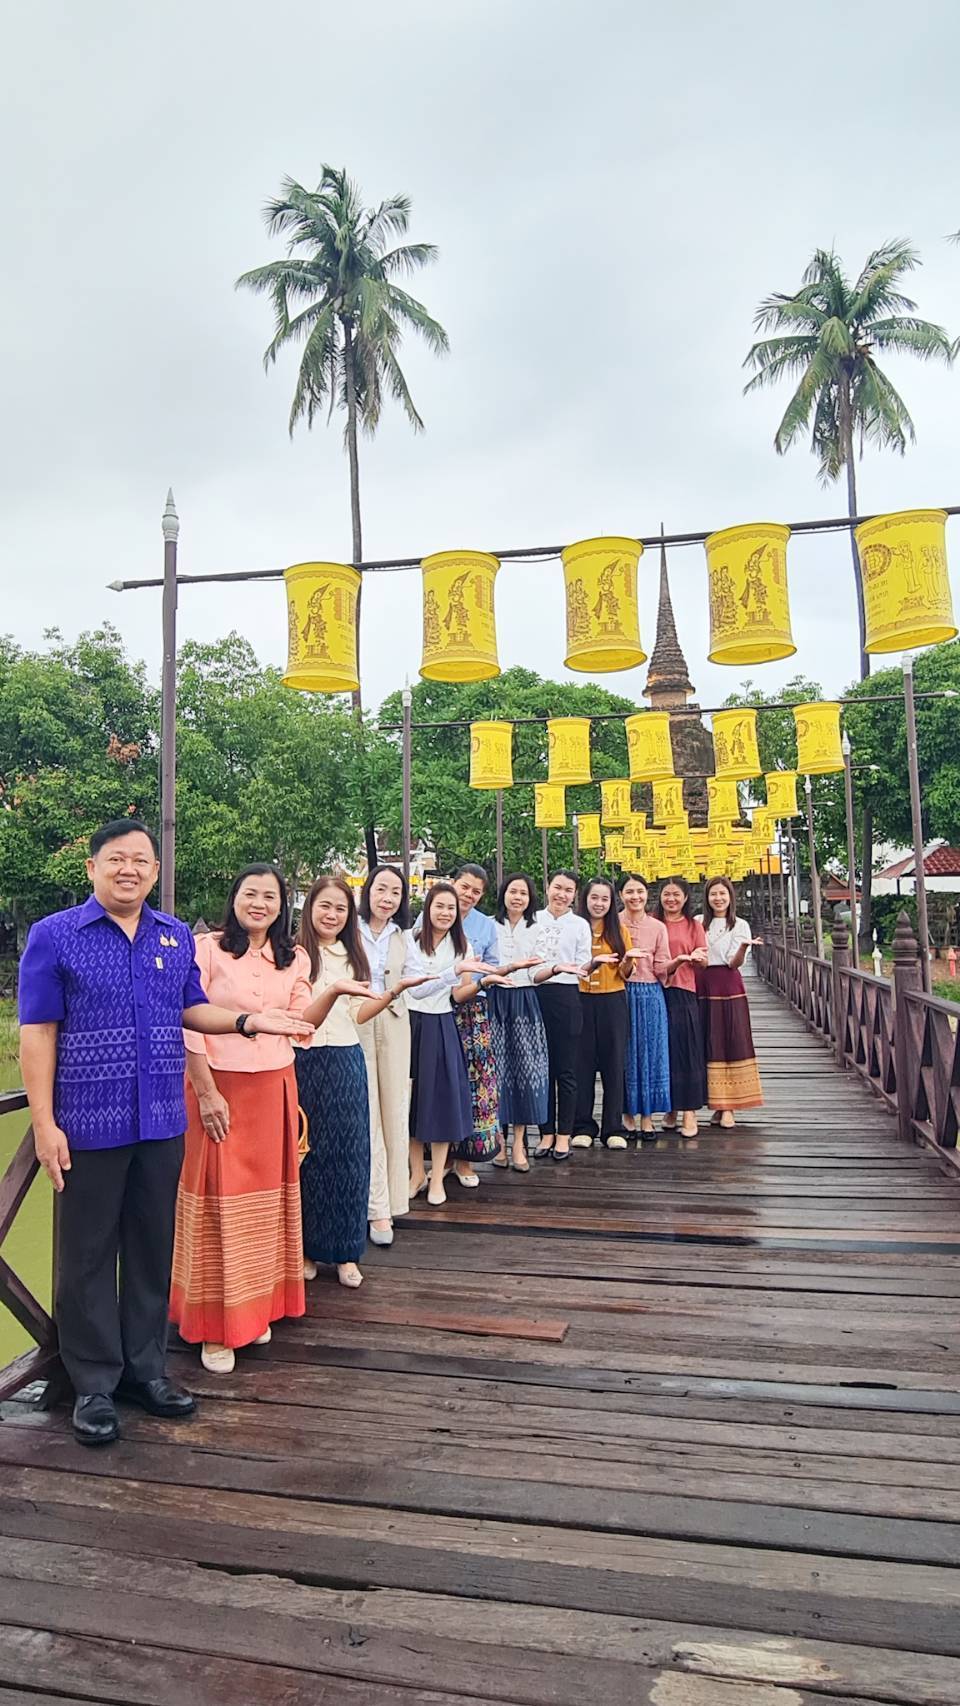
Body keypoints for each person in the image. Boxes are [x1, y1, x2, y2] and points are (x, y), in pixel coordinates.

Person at [17, 820, 312, 1447]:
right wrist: (44, 1124)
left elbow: (192, 1009)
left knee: (153, 1247)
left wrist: (248, 1020)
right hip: (88, 1123)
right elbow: (37, 1033)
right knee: (88, 1256)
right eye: (117, 859)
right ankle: (93, 1383)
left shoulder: (174, 936)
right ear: (93, 866)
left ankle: (145, 1371)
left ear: (155, 872)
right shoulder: (55, 936)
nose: (130, 869)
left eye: (142, 861)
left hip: (159, 1121)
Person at [170, 864, 316, 1374]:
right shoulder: (205, 948)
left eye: (270, 896)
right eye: (250, 893)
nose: (259, 903)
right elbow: (188, 1023)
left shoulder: (293, 958)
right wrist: (206, 1092)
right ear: (233, 898)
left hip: (273, 1086)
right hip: (218, 1086)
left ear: (282, 905)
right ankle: (214, 1327)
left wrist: (337, 994)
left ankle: (255, 1311)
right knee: (217, 1202)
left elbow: (302, 1024)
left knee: (269, 1200)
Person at [296, 877, 426, 1288]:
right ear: (309, 908)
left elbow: (356, 1014)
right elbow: (297, 1016)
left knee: (351, 1156)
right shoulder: (293, 955)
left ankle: (347, 1253)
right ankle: (309, 1249)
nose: (331, 915)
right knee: (308, 1158)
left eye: (339, 908)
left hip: (347, 1058)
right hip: (303, 1059)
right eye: (324, 906)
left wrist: (391, 994)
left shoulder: (352, 956)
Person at [406, 882, 490, 1206]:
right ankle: (416, 1173)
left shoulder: (462, 946)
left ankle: (437, 1174)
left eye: (451, 908)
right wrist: (452, 972)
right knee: (412, 1102)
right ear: (428, 908)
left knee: (439, 1101)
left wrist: (485, 981)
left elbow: (458, 994)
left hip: (442, 1024)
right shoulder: (411, 942)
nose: (445, 913)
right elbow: (414, 991)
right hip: (411, 1024)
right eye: (439, 906)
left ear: (458, 914)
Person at [357, 865, 420, 1247]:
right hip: (356, 1019)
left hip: (395, 1022)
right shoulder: (350, 929)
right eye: (381, 889)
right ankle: (369, 1203)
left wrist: (458, 974)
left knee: (395, 1111)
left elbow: (420, 981)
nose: (387, 898)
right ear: (368, 891)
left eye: (395, 892)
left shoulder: (404, 937)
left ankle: (389, 1203)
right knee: (363, 1112)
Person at [447, 864, 506, 1185]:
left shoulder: (485, 925)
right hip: (437, 1009)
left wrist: (473, 980)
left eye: (475, 891)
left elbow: (493, 966)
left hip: (474, 1009)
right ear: (452, 884)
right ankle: (438, 1156)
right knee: (441, 1083)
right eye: (464, 887)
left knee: (476, 1082)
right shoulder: (432, 913)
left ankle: (466, 1160)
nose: (467, 895)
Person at [529, 872, 592, 1161]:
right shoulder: (533, 919)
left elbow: (583, 964)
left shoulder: (580, 924)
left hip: (567, 996)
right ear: (547, 887)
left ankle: (564, 1134)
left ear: (574, 894)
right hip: (535, 994)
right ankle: (546, 1133)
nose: (562, 894)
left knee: (566, 1069)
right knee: (542, 1069)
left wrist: (593, 965)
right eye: (557, 888)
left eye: (568, 890)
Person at [488, 873, 549, 1171]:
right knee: (497, 1069)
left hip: (525, 1001)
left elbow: (539, 971)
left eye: (523, 893)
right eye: (512, 892)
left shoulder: (538, 928)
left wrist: (554, 971)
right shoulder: (490, 925)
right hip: (495, 999)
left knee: (526, 1069)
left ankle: (519, 1143)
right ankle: (499, 1141)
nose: (517, 898)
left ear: (530, 898)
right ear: (503, 895)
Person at [697, 875, 764, 1127]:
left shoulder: (740, 925)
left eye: (723, 894)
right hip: (702, 985)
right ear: (707, 897)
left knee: (731, 1039)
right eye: (713, 894)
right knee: (707, 1041)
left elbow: (733, 962)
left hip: (729, 985)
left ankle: (730, 1106)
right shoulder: (697, 923)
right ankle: (715, 1103)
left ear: (730, 897)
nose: (718, 898)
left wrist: (744, 948)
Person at [573, 877, 629, 1149]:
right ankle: (582, 1125)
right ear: (585, 899)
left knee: (613, 1063)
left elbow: (625, 973)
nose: (599, 903)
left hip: (612, 1000)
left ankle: (613, 1127)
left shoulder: (619, 931)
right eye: (594, 898)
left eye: (605, 899)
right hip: (581, 999)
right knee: (581, 1064)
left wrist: (628, 961)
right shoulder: (574, 928)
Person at [654, 876, 709, 1137]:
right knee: (664, 1051)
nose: (671, 899)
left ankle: (689, 1111)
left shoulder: (693, 926)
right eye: (667, 894)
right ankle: (670, 1108)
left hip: (684, 990)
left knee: (687, 1050)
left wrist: (695, 959)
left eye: (676, 894)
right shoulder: (653, 923)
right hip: (656, 991)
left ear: (685, 897)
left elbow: (704, 960)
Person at [618, 873, 671, 1140]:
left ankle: (648, 1117)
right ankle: (627, 1115)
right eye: (629, 892)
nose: (635, 897)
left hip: (650, 994)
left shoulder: (658, 927)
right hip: (620, 993)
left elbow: (662, 966)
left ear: (647, 894)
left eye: (639, 891)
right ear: (621, 895)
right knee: (625, 1055)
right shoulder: (613, 923)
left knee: (651, 1053)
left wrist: (679, 963)